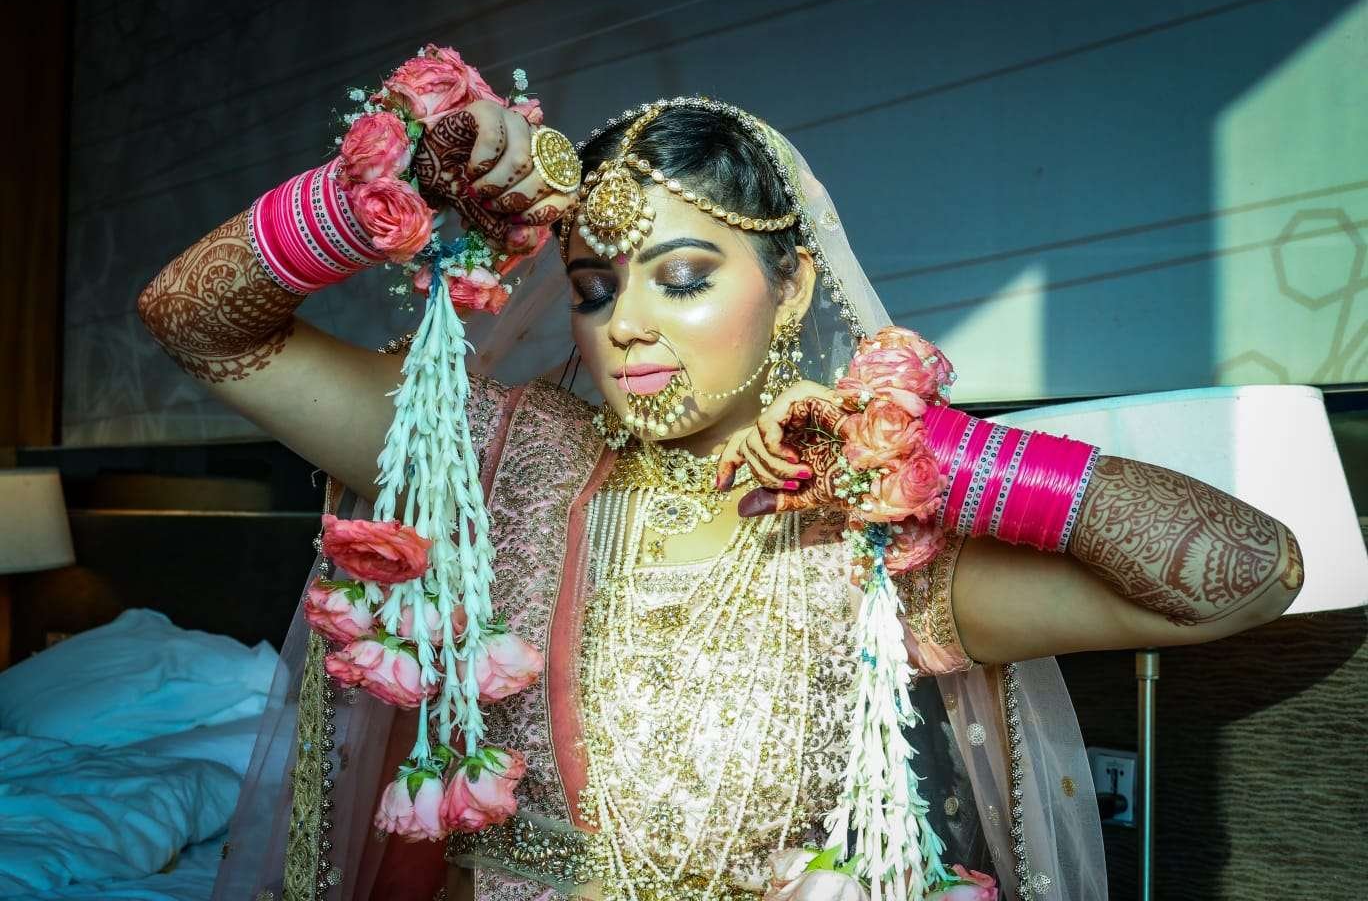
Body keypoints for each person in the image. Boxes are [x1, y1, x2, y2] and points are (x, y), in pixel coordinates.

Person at [137, 74, 1304, 901]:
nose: (626, 324)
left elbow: (1245, 572)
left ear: (790, 288)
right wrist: (408, 180)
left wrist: (934, 455)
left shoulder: (865, 545)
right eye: (593, 289)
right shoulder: (505, 458)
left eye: (684, 277)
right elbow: (193, 319)